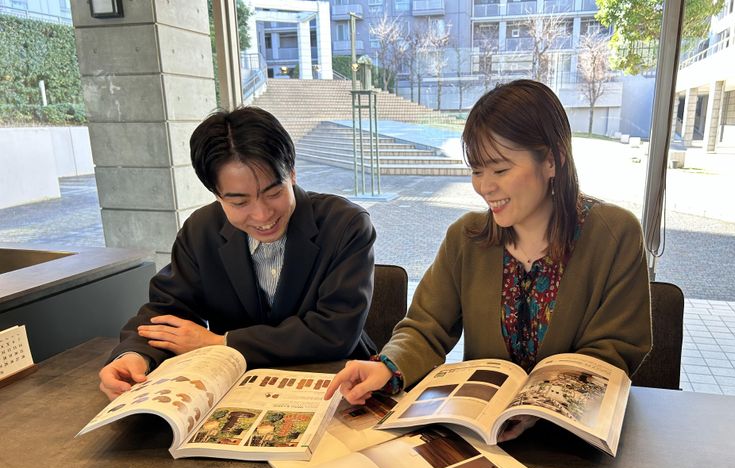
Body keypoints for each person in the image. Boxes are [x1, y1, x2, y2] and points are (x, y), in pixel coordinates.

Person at [326, 79, 652, 440]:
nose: (484, 186)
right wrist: (389, 366)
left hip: (573, 439)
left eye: (500, 170)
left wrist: (536, 407)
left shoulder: (614, 234)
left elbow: (615, 347)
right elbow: (426, 326)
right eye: (477, 170)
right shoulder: (467, 237)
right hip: (483, 435)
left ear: (552, 159)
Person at [99, 106, 377, 399]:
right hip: (238, 390)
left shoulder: (344, 224)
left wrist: (220, 343)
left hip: (338, 384)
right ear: (217, 194)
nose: (262, 215)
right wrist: (134, 355)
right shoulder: (201, 230)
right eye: (239, 203)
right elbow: (167, 310)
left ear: (292, 173)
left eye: (274, 193)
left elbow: (334, 332)